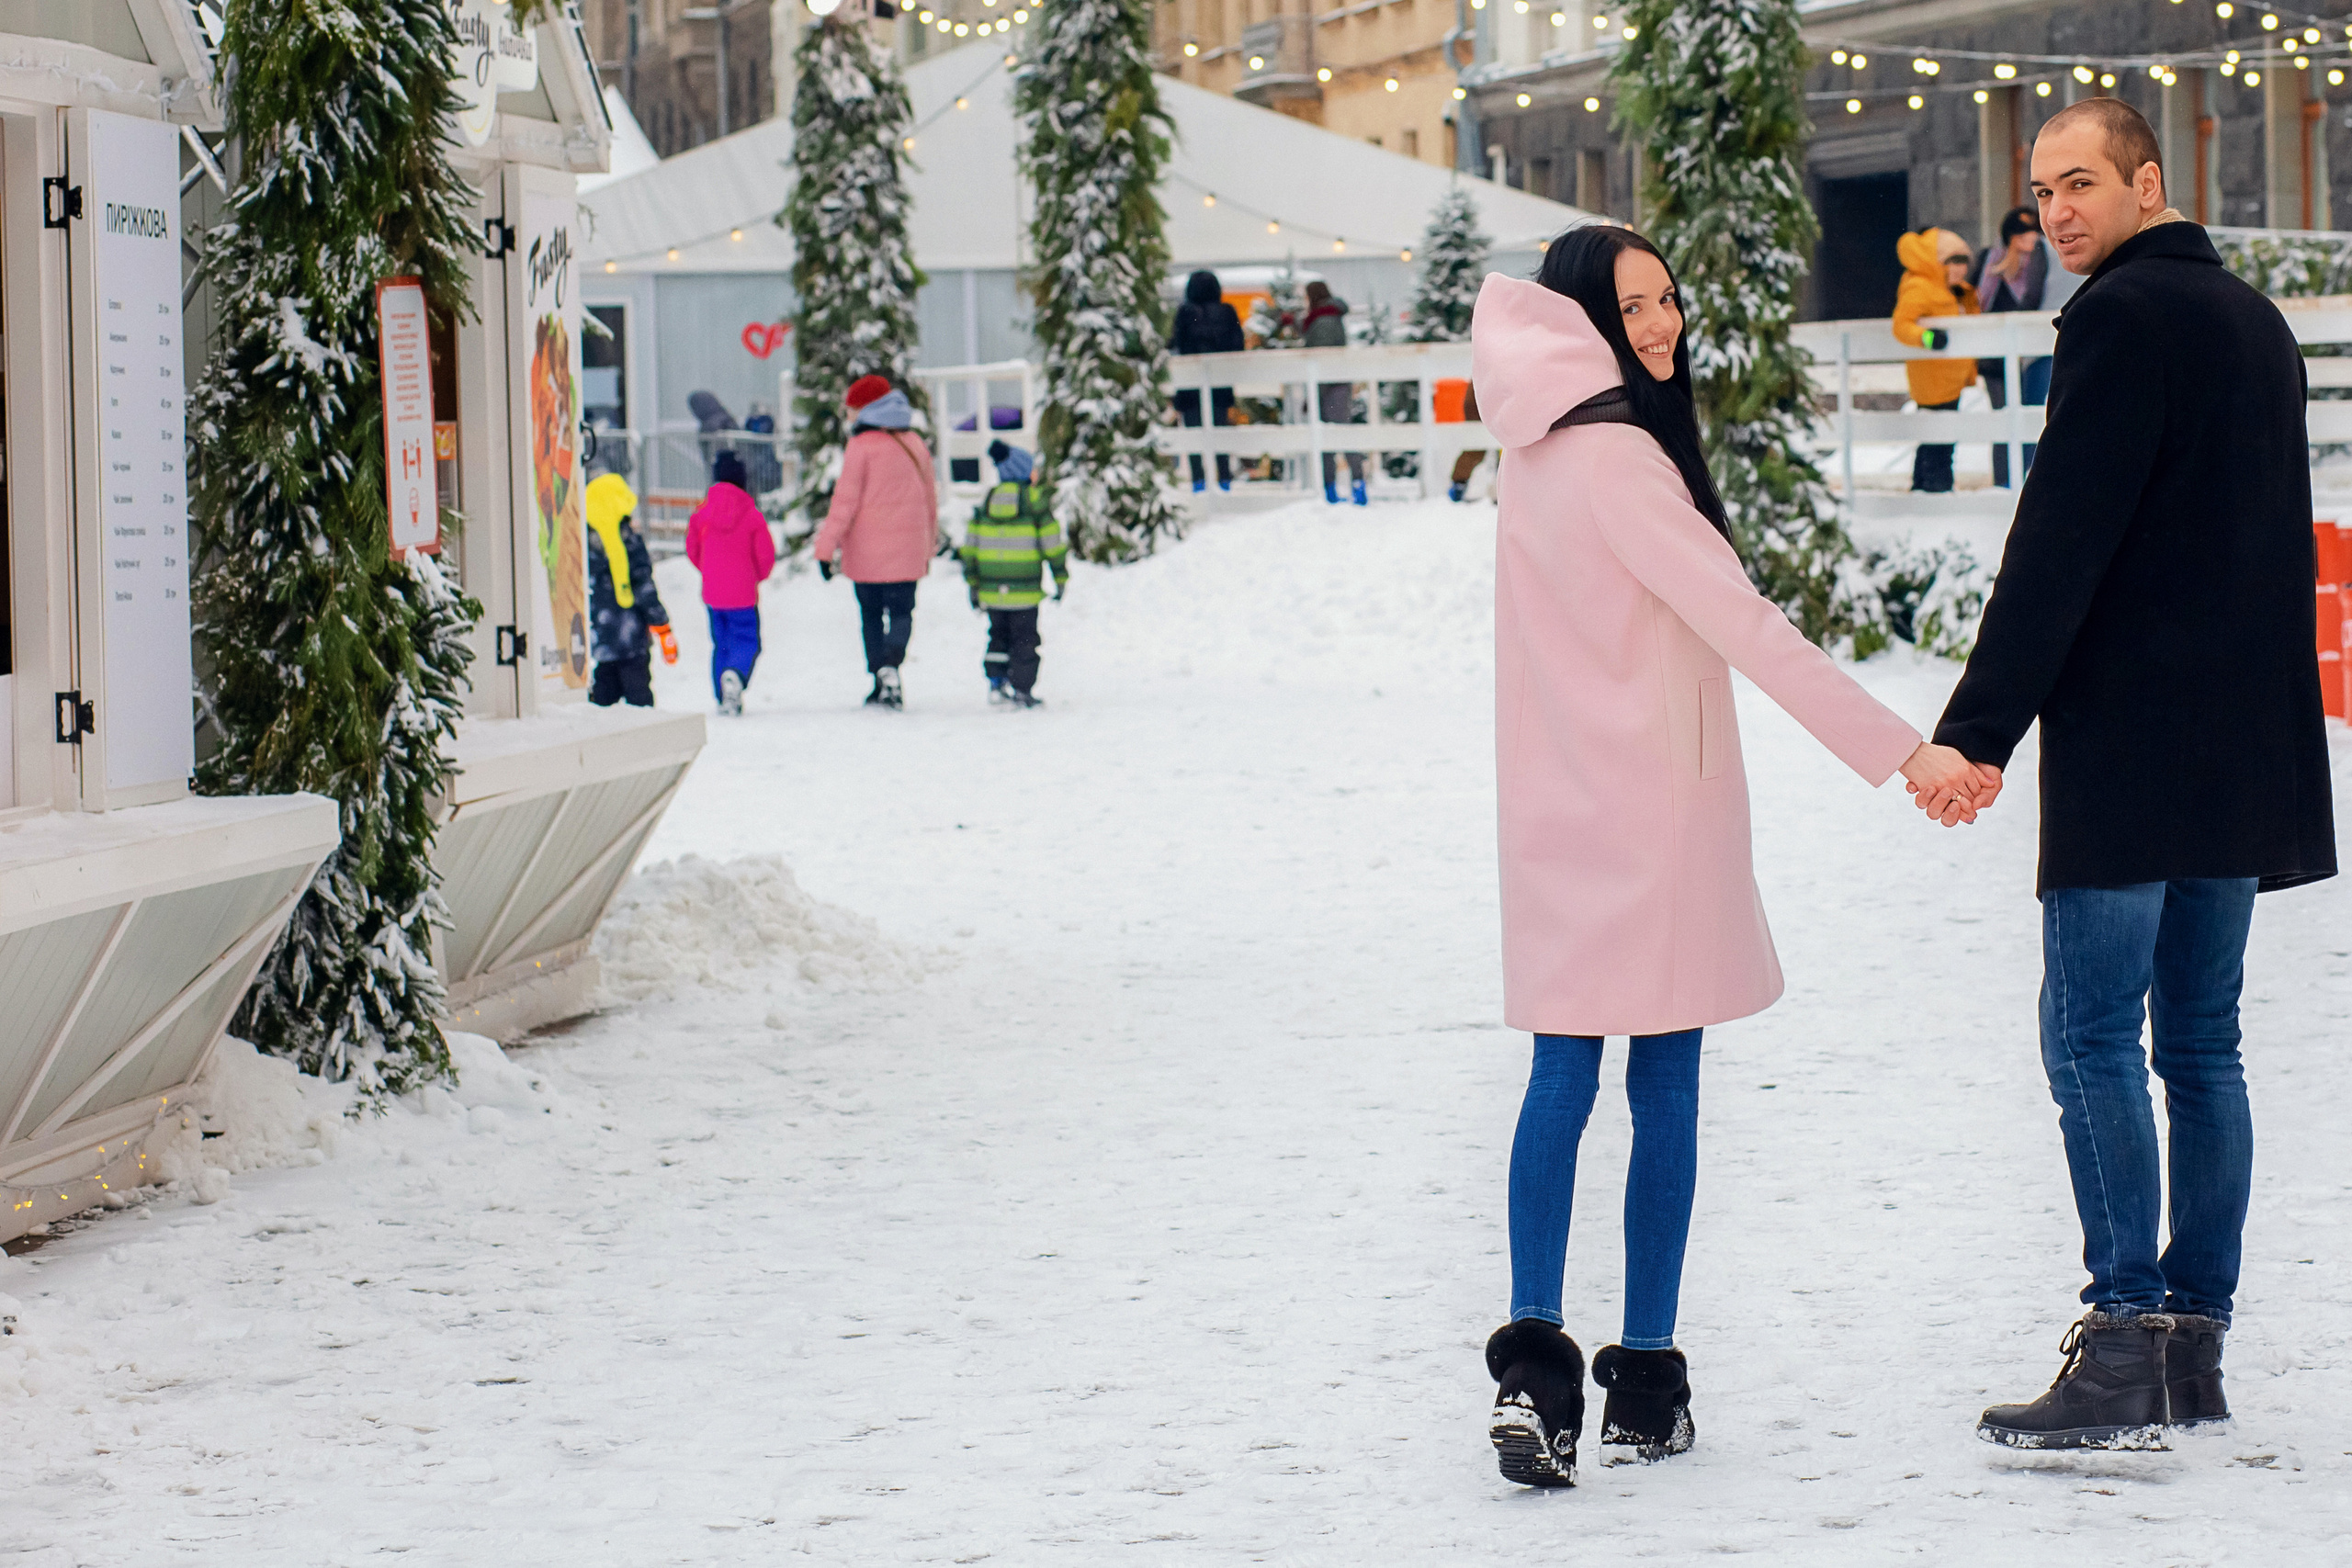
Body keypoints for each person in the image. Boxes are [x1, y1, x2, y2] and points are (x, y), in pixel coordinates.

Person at [1468, 225, 1987, 1488]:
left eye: (1667, 296)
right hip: (1656, 815)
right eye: (1633, 304)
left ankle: (1537, 1371)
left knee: (1561, 1074)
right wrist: (1903, 749)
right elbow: (1749, 627)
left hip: (1554, 811)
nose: (1662, 322)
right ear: (1585, 319)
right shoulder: (1626, 459)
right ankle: (1640, 1381)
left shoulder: (1531, 456)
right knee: (1664, 1087)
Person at [1929, 98, 2335, 1450]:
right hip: (2238, 751)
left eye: (2082, 181)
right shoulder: (2256, 323)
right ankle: (2194, 1345)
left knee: (2092, 1034)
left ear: (2149, 181)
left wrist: (1978, 730)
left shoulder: (2118, 319)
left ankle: (2122, 1336)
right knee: (2203, 1042)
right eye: (2043, 188)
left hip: (2136, 748)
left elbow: (2062, 542)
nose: (2057, 209)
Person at [810, 374, 939, 710]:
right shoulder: (914, 442)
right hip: (908, 551)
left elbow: (844, 504)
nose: (848, 415)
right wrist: (930, 543)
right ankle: (892, 666)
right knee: (901, 612)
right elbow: (930, 499)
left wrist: (825, 550)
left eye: (851, 408)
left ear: (865, 409)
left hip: (867, 555)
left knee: (870, 615)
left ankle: (879, 673)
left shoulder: (861, 447)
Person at [962, 440, 1069, 708]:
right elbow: (1052, 543)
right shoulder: (1034, 502)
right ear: (1023, 471)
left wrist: (973, 582)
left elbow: (970, 545)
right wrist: (1060, 576)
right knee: (1024, 639)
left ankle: (997, 684)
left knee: (997, 635)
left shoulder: (987, 501)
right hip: (1024, 591)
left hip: (992, 589)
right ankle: (1022, 689)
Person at [684, 449, 775, 716]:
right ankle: (734, 676)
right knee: (748, 640)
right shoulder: (751, 515)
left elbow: (692, 549)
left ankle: (722, 693)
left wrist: (708, 571)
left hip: (713, 593)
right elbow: (765, 556)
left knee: (721, 643)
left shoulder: (701, 513)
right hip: (743, 594)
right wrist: (754, 576)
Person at [1891, 228, 1981, 493]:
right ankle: (1936, 491)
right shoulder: (1919, 287)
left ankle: (1922, 490)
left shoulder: (1958, 291)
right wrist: (1928, 338)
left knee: (1937, 439)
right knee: (1939, 442)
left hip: (1952, 378)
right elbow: (1901, 325)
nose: (1961, 269)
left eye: (1964, 262)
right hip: (1932, 378)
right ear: (1937, 262)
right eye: (1954, 262)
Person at [1973, 206, 2051, 488]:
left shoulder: (2041, 261)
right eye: (2022, 232)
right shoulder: (1990, 260)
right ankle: (2004, 483)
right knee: (2005, 417)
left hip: (2027, 355)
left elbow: (2036, 299)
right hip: (1994, 355)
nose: (2029, 238)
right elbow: (1974, 299)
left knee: (2028, 417)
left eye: (2033, 232)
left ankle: (2023, 480)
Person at [584, 473, 676, 707]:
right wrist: (663, 626)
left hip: (601, 640)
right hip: (631, 639)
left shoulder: (583, 547)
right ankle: (645, 740)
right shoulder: (630, 542)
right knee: (639, 698)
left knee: (603, 696)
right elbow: (644, 588)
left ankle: (601, 738)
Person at [1170, 270, 1245, 492]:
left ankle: (1198, 482)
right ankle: (1224, 480)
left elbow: (1178, 344)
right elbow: (1237, 345)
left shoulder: (1185, 313)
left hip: (1190, 387)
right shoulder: (1227, 312)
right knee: (1220, 433)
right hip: (1220, 387)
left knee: (1194, 437)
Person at [1303, 280, 1368, 506]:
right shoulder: (1330, 317)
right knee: (1342, 435)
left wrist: (1312, 396)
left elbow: (1322, 361)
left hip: (1329, 387)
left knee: (1334, 438)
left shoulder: (1322, 321)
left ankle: (1337, 489)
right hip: (1338, 385)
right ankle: (1355, 485)